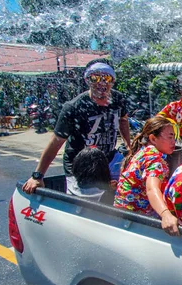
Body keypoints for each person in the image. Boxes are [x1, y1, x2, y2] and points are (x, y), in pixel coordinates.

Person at [22, 61, 131, 194]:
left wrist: (128, 145)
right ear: (87, 80)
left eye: (107, 78)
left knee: (135, 182)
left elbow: (123, 120)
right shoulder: (74, 107)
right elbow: (55, 143)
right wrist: (37, 176)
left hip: (110, 158)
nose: (101, 82)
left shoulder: (118, 99)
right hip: (80, 165)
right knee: (86, 204)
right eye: (95, 78)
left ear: (113, 81)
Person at [114, 116, 180, 236]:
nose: (173, 142)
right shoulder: (155, 159)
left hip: (121, 214)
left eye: (174, 138)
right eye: (170, 137)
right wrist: (165, 214)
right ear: (153, 138)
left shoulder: (144, 151)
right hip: (135, 221)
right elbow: (151, 188)